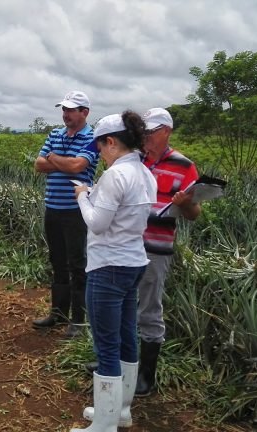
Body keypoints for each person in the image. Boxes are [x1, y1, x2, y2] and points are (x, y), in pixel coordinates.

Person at [70, 111, 156, 432]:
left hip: (108, 267)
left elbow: (97, 223)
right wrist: (94, 195)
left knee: (106, 344)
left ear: (111, 142)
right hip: (133, 263)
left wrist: (82, 196)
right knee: (126, 337)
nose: (100, 155)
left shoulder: (115, 176)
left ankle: (104, 426)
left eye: (100, 148)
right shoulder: (146, 174)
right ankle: (120, 412)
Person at [134, 108, 200, 397]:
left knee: (149, 309)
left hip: (155, 249)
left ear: (167, 131)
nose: (146, 135)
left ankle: (146, 376)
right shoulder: (133, 159)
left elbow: (193, 214)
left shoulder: (184, 166)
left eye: (151, 130)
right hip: (125, 245)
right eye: (144, 131)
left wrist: (184, 202)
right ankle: (115, 363)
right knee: (123, 306)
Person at [33, 91, 99, 338]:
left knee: (77, 263)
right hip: (53, 207)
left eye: (71, 110)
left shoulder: (92, 137)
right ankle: (58, 313)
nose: (66, 114)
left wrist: (52, 158)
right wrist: (61, 160)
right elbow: (38, 165)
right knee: (57, 261)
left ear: (85, 112)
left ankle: (79, 320)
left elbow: (78, 166)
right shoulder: (55, 134)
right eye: (64, 109)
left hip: (77, 210)